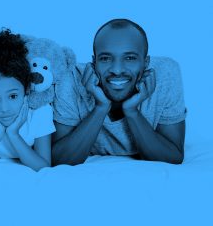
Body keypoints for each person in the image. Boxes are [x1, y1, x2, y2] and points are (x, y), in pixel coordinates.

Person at [52, 19, 186, 165]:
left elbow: (173, 156)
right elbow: (58, 159)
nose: (117, 70)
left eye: (129, 58)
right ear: (94, 62)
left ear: (145, 63)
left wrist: (132, 111)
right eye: (105, 58)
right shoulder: (71, 78)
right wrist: (101, 107)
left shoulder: (165, 74)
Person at [0, 29, 55, 171]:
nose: (4, 108)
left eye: (13, 96)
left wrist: (13, 134)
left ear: (26, 91)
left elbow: (43, 165)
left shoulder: (41, 110)